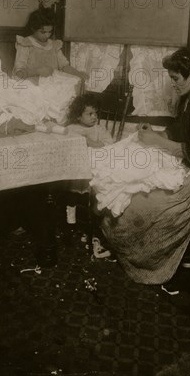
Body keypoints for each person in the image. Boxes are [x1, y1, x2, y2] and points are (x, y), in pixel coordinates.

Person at [99, 48, 190, 284]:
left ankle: (149, 263)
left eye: (176, 78)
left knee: (143, 206)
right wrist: (157, 133)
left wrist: (158, 142)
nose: (173, 84)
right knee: (127, 183)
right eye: (171, 78)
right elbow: (179, 130)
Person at [65, 93, 114, 257]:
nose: (94, 117)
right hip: (76, 169)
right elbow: (67, 148)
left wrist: (93, 144)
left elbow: (110, 146)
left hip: (95, 170)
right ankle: (70, 221)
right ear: (79, 116)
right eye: (89, 114)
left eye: (96, 113)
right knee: (71, 192)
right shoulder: (72, 129)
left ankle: (95, 226)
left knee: (97, 192)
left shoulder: (99, 129)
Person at [13, 8, 88, 82]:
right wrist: (37, 71)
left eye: (50, 32)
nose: (47, 35)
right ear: (33, 28)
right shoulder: (26, 44)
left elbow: (64, 66)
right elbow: (19, 73)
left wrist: (78, 74)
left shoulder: (54, 45)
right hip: (32, 85)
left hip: (52, 84)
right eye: (43, 32)